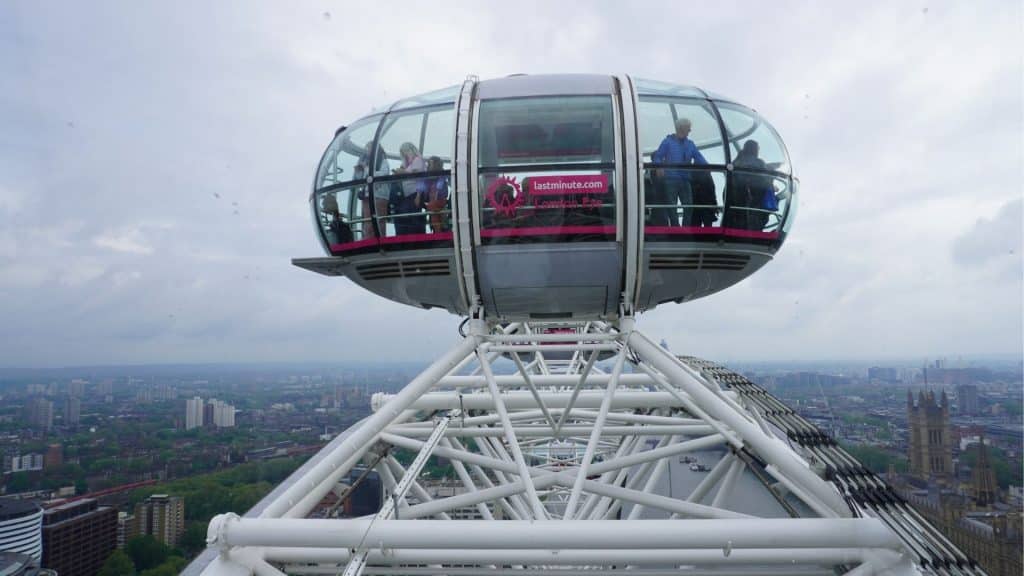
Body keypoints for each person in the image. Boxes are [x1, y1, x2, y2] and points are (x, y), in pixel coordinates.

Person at [652, 118, 708, 226]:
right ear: (681, 128)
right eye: (688, 128)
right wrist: (659, 167)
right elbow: (658, 157)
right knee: (672, 206)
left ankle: (685, 228)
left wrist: (708, 167)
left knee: (688, 205)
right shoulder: (667, 142)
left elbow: (699, 157)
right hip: (671, 179)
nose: (690, 130)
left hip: (685, 179)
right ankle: (675, 227)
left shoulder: (690, 144)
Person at [728, 139, 774, 230]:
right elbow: (764, 179)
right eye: (758, 149)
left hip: (736, 197)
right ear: (754, 149)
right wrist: (771, 183)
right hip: (754, 198)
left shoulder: (736, 161)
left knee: (740, 215)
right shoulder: (759, 162)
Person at [354, 142, 389, 239]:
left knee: (379, 221)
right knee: (367, 220)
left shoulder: (382, 160)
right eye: (367, 149)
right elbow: (360, 178)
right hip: (367, 195)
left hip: (379, 195)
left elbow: (384, 173)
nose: (367, 151)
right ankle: (368, 239)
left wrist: (366, 169)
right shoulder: (366, 161)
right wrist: (358, 171)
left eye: (369, 148)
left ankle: (379, 240)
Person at [391, 142, 427, 235]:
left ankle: (416, 238)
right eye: (403, 154)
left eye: (405, 152)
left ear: (410, 150)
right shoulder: (408, 164)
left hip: (415, 193)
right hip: (408, 195)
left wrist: (418, 195)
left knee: (412, 216)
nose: (405, 155)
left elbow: (420, 177)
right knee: (408, 216)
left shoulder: (418, 160)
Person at [423, 156, 449, 233]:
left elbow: (442, 191)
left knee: (432, 207)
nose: (428, 166)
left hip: (440, 200)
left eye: (430, 164)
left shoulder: (442, 175)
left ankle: (439, 231)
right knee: (433, 211)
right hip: (432, 201)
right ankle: (437, 231)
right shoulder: (428, 177)